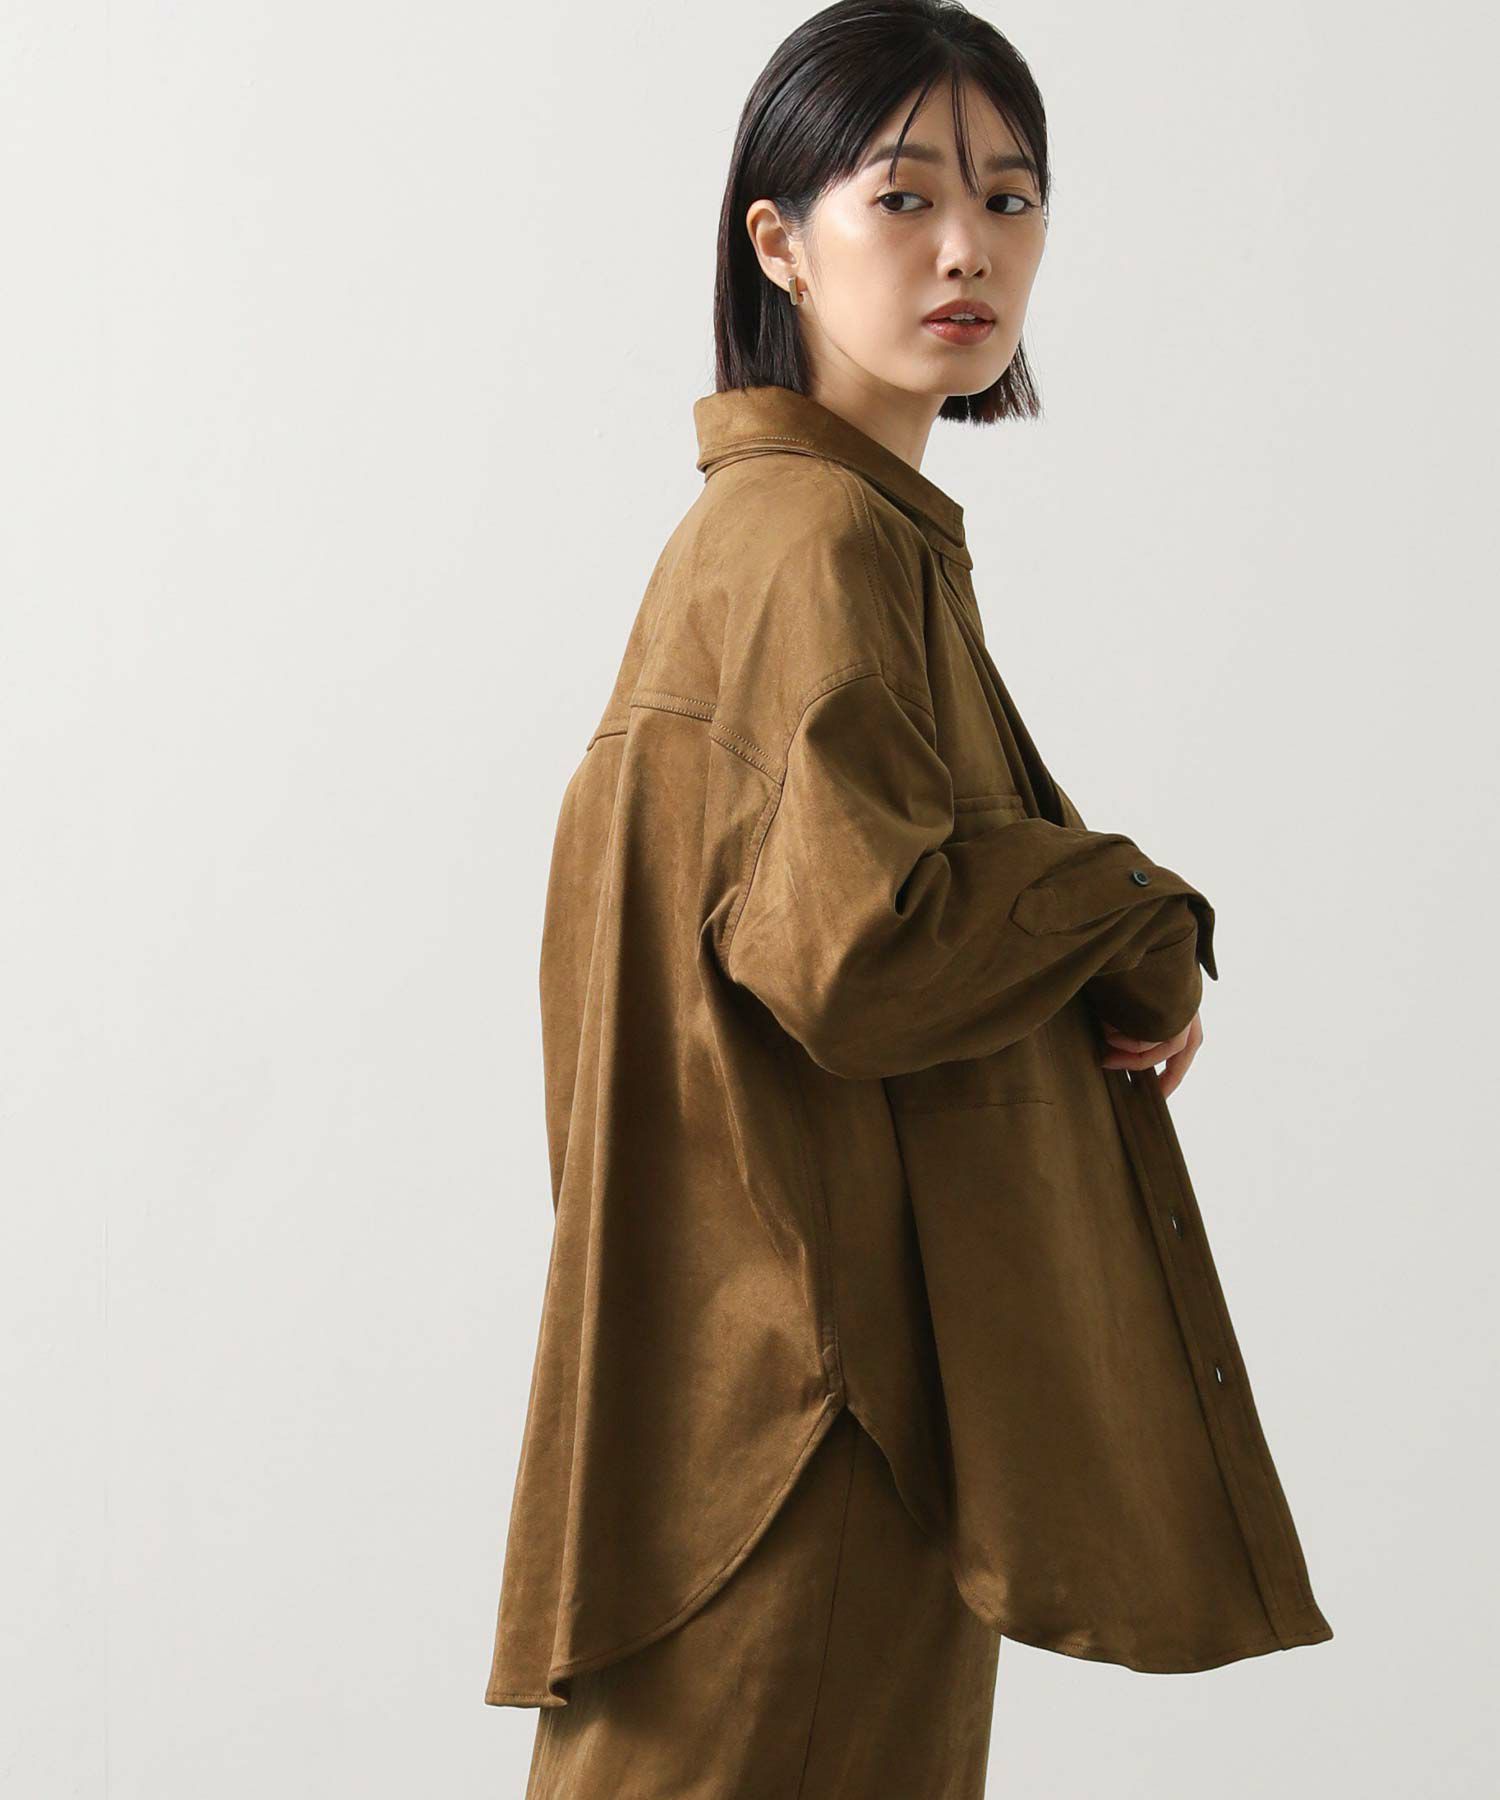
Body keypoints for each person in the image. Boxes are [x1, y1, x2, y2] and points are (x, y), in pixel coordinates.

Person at [484, 3, 1332, 1794]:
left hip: (778, 1400)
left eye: (1012, 199)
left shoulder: (818, 532)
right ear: (778, 241)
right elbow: (861, 955)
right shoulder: (815, 541)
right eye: (905, 196)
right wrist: (1128, 909)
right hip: (817, 1419)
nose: (970, 248)